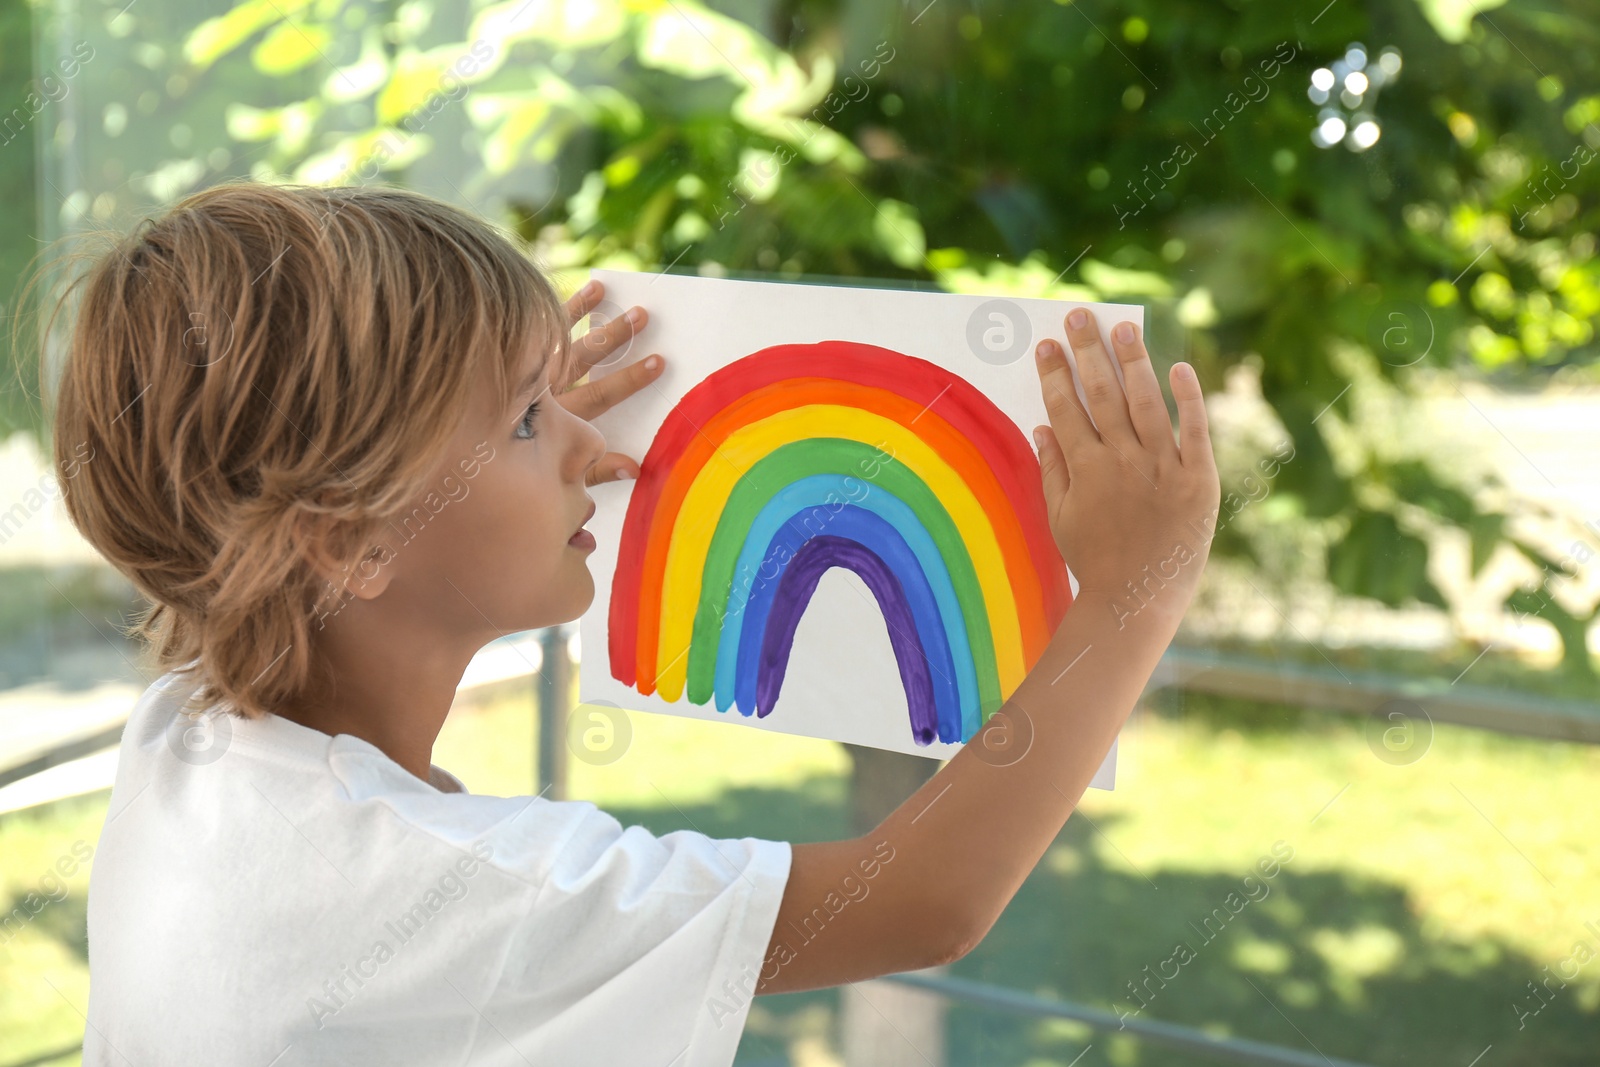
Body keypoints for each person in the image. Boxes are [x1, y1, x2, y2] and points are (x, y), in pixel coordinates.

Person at [42, 181, 1218, 1065]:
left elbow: (370, 526)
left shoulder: (184, 740)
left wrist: (486, 451)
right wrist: (1133, 589)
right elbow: (919, 903)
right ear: (351, 540)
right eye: (523, 420)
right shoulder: (438, 891)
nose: (591, 445)